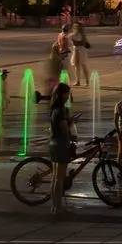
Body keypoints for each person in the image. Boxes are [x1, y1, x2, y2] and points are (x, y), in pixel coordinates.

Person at [46, 82, 75, 217]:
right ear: (63, 94)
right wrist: (71, 127)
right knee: (60, 178)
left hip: (53, 143)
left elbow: (53, 127)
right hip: (61, 144)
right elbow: (64, 128)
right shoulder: (63, 110)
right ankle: (58, 207)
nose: (69, 96)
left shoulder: (53, 109)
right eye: (68, 93)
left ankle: (54, 206)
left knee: (55, 178)